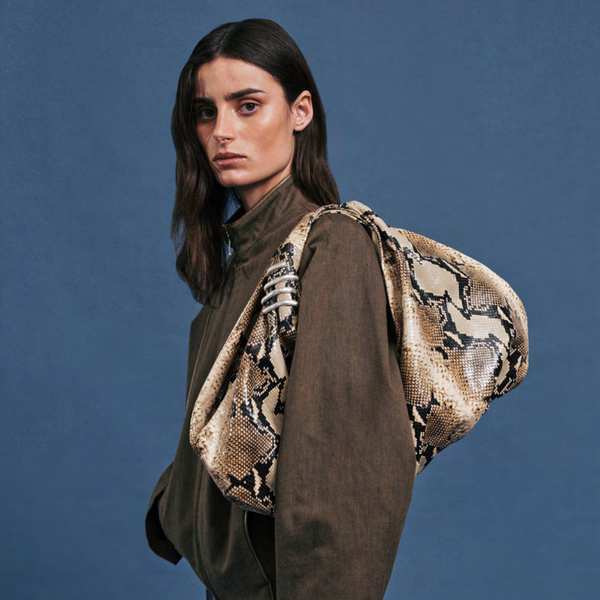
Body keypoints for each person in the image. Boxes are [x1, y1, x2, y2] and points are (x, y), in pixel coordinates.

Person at [145, 18, 416, 600]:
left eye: (247, 106)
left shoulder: (332, 247)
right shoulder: (238, 264)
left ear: (300, 112)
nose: (222, 132)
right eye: (205, 112)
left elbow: (343, 478)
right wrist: (180, 503)